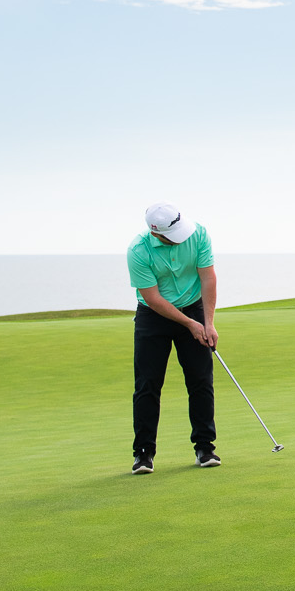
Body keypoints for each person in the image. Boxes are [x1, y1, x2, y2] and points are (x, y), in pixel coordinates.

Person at [127, 202, 220, 474]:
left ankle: (205, 447)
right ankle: (143, 453)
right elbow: (152, 298)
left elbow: (208, 278)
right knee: (147, 384)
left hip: (194, 306)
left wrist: (208, 322)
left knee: (201, 381)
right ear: (156, 233)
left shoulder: (198, 234)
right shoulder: (138, 250)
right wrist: (190, 324)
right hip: (153, 316)